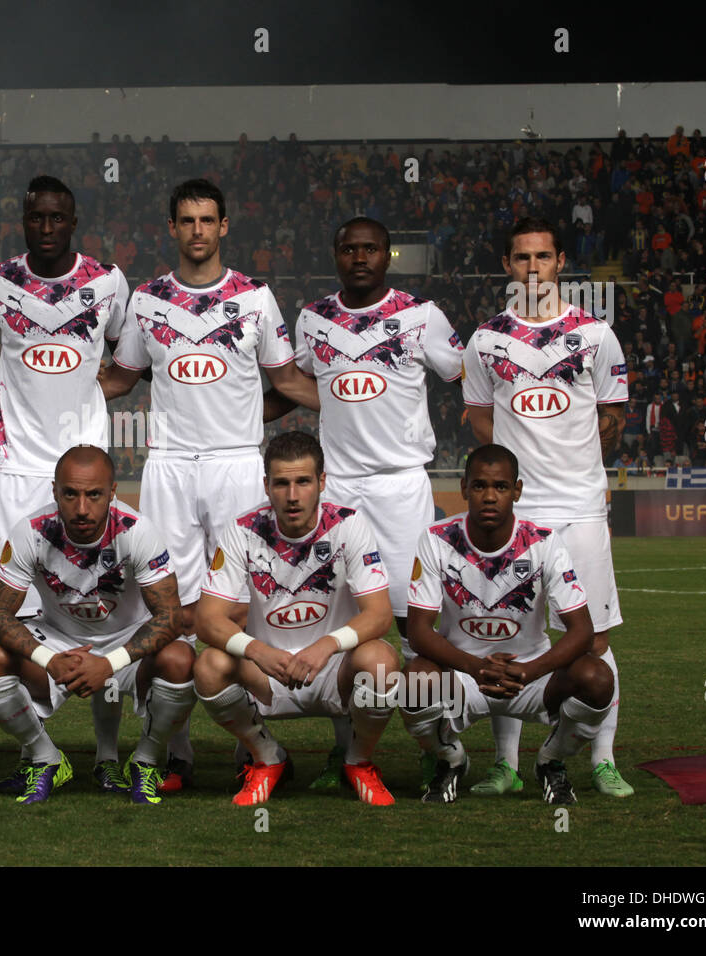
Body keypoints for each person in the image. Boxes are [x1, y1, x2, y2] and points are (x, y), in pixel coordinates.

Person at [100, 178, 319, 789]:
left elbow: (288, 384)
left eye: (207, 221)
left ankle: (247, 748)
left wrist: (353, 399)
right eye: (186, 221)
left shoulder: (255, 298)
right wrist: (48, 386)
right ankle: (175, 752)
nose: (197, 231)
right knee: (168, 614)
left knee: (233, 612)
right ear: (172, 228)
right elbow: (119, 380)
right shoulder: (147, 301)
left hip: (235, 465)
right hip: (167, 464)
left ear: (224, 227)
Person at [271, 216, 464, 790]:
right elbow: (296, 383)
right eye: (350, 249)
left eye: (371, 249)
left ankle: (441, 746)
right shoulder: (314, 318)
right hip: (340, 489)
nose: (360, 257)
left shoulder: (421, 315)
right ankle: (348, 752)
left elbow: (463, 375)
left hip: (401, 485)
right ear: (337, 254)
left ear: (387, 254)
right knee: (345, 622)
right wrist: (331, 402)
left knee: (414, 622)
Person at [0, 175, 134, 791]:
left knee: (107, 607)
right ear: (24, 220)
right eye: (35, 217)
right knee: (23, 612)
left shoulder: (108, 282)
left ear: (72, 220)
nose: (45, 227)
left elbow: (128, 358)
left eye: (56, 218)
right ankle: (40, 753)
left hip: (84, 463)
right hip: (16, 465)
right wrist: (9, 382)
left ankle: (109, 757)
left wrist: (89, 389)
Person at [463, 216, 632, 797]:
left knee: (594, 640)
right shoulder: (486, 340)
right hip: (520, 512)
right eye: (520, 259)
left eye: (542, 257)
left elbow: (612, 412)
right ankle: (506, 765)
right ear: (507, 266)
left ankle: (599, 759)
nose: (531, 268)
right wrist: (517, 469)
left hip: (580, 506)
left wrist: (574, 459)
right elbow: (480, 418)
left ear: (561, 262)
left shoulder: (596, 334)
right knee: (510, 635)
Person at [0, 445, 193, 805]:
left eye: (94, 495)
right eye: (70, 494)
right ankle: (45, 757)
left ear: (112, 493)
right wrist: (48, 659)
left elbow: (170, 617)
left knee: (181, 657)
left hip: (124, 639)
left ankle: (146, 761)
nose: (81, 508)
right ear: (55, 491)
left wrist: (109, 664)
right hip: (59, 639)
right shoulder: (31, 532)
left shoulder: (137, 531)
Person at [193, 430, 399, 806]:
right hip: (269, 673)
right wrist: (257, 650)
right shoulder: (243, 530)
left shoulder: (348, 524)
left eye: (303, 481)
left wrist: (326, 646)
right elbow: (207, 620)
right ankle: (267, 756)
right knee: (209, 665)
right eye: (282, 483)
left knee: (382, 661)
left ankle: (358, 760)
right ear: (266, 486)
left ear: (321, 482)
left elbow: (380, 614)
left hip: (334, 673)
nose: (292, 496)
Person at [401, 444, 614, 805]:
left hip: (530, 677)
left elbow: (582, 631)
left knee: (597, 678)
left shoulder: (544, 542)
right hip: (465, 676)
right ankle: (451, 759)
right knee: (413, 684)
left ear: (516, 490)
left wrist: (531, 671)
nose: (489, 497)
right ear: (464, 488)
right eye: (480, 486)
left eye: (500, 487)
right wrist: (475, 666)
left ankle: (551, 761)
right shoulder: (436, 539)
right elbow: (419, 632)